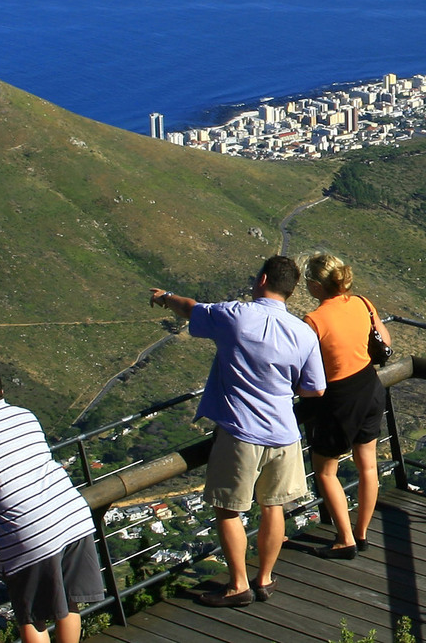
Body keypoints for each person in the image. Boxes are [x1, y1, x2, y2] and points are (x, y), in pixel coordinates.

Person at [150, 255, 325, 606]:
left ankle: (238, 584)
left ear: (261, 280)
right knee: (274, 506)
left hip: (241, 432)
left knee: (230, 510)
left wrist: (164, 297)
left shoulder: (236, 316)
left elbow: (191, 309)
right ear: (290, 291)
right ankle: (265, 578)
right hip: (284, 434)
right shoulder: (304, 332)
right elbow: (315, 389)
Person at [0, 369, 102, 643]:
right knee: (68, 603)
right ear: (1, 393)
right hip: (72, 516)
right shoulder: (26, 415)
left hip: (29, 533)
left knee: (32, 616)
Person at [296, 252, 392, 559]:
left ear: (314, 286)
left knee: (325, 471)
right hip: (371, 386)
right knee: (368, 466)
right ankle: (362, 534)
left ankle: (345, 539)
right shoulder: (363, 303)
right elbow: (387, 342)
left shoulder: (313, 321)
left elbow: (300, 368)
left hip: (339, 398)